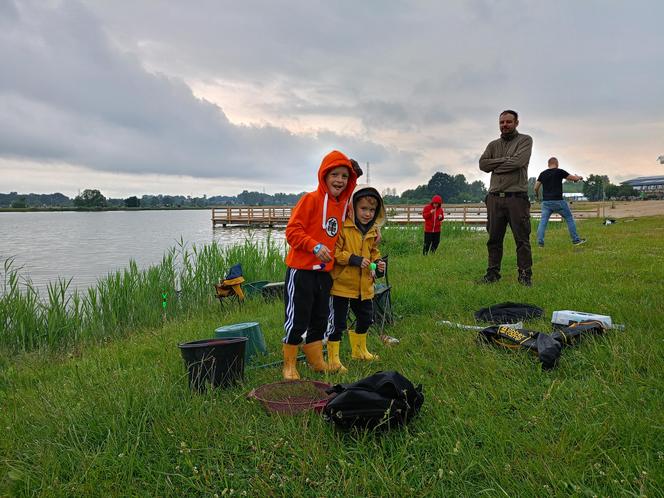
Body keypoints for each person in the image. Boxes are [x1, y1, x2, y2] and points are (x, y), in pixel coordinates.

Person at [281, 150, 359, 380]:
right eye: (335, 174)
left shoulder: (344, 205)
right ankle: (289, 365)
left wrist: (375, 233)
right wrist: (314, 247)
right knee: (297, 319)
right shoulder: (310, 200)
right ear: (324, 176)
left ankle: (316, 361)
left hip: (325, 274)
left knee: (321, 318)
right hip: (301, 271)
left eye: (344, 176)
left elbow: (355, 219)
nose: (339, 180)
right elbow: (292, 231)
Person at [326, 185, 387, 372]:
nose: (368, 214)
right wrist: (354, 259)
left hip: (364, 286)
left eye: (371, 210)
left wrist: (378, 264)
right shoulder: (343, 227)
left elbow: (373, 252)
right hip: (341, 286)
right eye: (363, 209)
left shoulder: (372, 231)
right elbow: (334, 253)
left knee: (366, 318)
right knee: (338, 323)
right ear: (353, 207)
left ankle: (359, 351)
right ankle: (333, 359)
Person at [479, 110, 534, 286]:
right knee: (493, 239)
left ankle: (525, 275)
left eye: (508, 122)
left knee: (522, 239)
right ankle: (492, 273)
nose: (505, 125)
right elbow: (482, 164)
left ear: (517, 122)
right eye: (502, 122)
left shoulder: (525, 140)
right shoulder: (493, 145)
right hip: (494, 198)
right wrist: (505, 160)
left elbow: (518, 162)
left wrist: (495, 165)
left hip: (516, 198)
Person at [534, 157, 586, 247]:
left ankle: (540, 243)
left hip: (546, 203)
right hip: (558, 201)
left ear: (548, 164)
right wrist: (579, 177)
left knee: (543, 222)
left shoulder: (542, 174)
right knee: (569, 218)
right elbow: (573, 178)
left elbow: (535, 187)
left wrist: (538, 196)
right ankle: (576, 240)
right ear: (557, 163)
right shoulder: (559, 171)